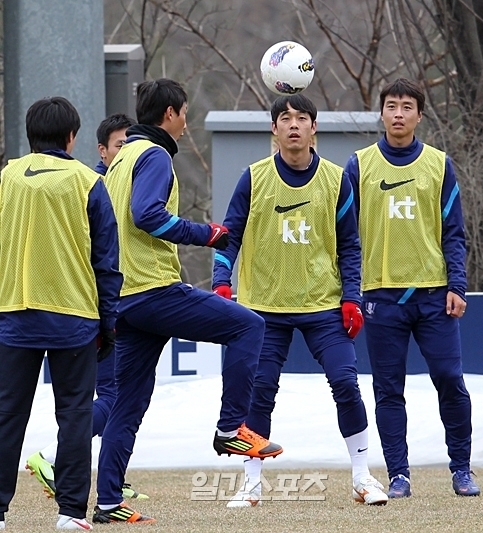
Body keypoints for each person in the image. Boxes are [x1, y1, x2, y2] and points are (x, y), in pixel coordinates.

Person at [92, 78, 283, 525]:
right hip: (153, 290)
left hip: (123, 298)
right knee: (249, 326)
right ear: (172, 114)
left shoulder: (120, 160)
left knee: (127, 404)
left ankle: (106, 504)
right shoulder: (155, 154)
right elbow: (147, 215)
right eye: (184, 113)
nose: (186, 123)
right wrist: (206, 233)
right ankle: (230, 429)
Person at [212, 93, 388, 507]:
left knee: (346, 383)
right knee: (259, 391)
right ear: (273, 130)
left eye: (302, 118)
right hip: (263, 308)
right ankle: (251, 484)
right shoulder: (253, 178)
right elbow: (228, 235)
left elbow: (349, 245)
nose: (294, 124)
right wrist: (222, 281)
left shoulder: (335, 179)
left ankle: (362, 477)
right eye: (285, 118)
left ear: (314, 129)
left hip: (323, 306)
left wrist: (352, 297)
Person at [345, 78, 480, 498]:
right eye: (391, 106)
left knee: (449, 379)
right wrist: (349, 289)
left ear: (419, 115)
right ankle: (399, 474)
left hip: (434, 294)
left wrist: (457, 284)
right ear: (381, 113)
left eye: (407, 106)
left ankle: (461, 469)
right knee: (388, 389)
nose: (398, 113)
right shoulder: (359, 165)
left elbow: (454, 233)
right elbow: (345, 235)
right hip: (380, 296)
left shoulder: (440, 164)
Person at [0, 97, 123, 530]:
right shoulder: (88, 181)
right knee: (73, 415)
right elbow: (106, 261)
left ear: (29, 134)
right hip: (74, 316)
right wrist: (108, 323)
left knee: (6, 415)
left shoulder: (6, 178)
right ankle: (70, 513)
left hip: (15, 312)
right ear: (72, 137)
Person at [25, 113, 149, 502]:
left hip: (104, 305)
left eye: (131, 145)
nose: (126, 152)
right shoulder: (91, 185)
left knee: (118, 397)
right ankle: (55, 462)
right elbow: (104, 257)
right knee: (109, 397)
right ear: (100, 149)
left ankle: (111, 480)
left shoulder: (113, 180)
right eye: (119, 145)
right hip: (93, 310)